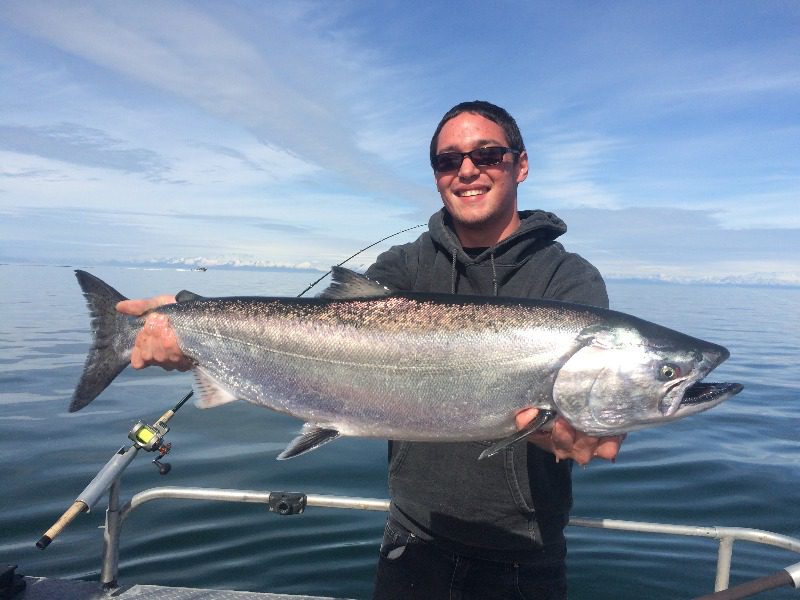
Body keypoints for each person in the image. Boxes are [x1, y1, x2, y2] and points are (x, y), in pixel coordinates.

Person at [117, 100, 624, 599]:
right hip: (412, 540)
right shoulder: (403, 266)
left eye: (487, 155)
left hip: (525, 551)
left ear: (521, 164)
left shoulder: (569, 280)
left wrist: (581, 426)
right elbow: (322, 334)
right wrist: (190, 322)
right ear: (436, 175)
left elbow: (590, 413)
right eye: (449, 161)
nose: (467, 170)